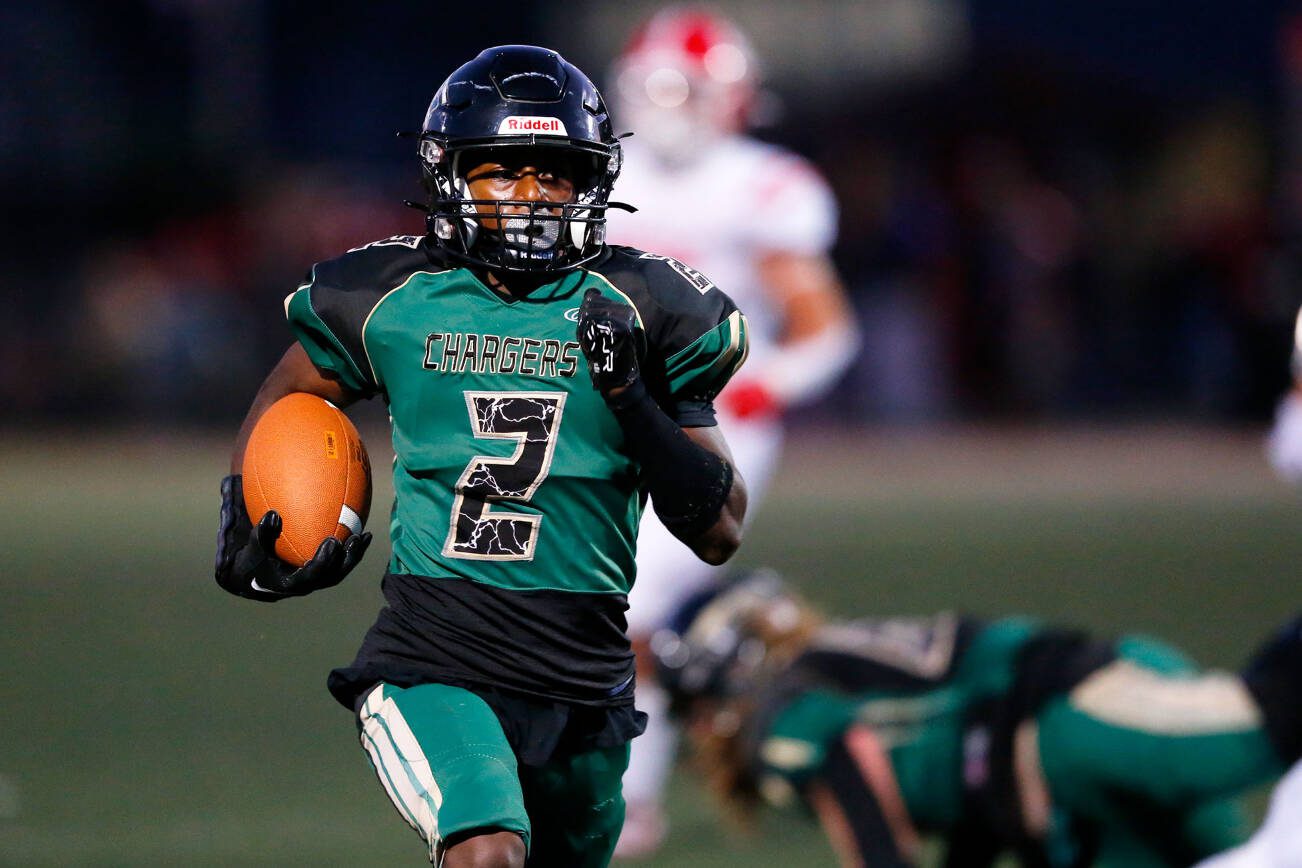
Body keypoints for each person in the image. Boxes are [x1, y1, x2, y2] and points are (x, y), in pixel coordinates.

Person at [213, 45, 750, 868]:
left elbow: (719, 528)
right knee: (486, 851)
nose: (531, 196)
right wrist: (257, 507)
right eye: (503, 170)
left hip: (586, 682)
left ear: (593, 181)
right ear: (449, 175)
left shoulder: (652, 306)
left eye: (554, 174)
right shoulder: (389, 293)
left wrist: (632, 403)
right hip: (436, 657)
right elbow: (293, 394)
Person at [600, 8, 862, 854]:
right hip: (597, 410)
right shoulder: (601, 171)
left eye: (686, 88)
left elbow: (826, 327)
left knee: (631, 597)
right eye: (657, 87)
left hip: (707, 420)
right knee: (579, 592)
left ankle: (631, 794)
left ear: (732, 99)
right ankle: (700, 691)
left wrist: (766, 384)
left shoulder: (763, 185)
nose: (668, 105)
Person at [652, 569, 1302, 867]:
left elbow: (846, 754)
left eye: (700, 707)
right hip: (1058, 778)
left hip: (1075, 719)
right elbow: (969, 770)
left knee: (1265, 721)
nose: (703, 729)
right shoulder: (837, 669)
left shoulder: (788, 717)